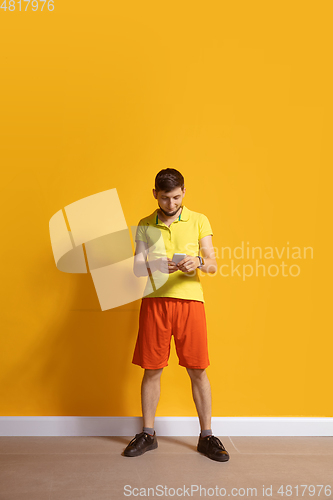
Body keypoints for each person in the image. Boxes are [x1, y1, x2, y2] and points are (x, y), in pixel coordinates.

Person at [123, 168, 229, 462]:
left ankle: (207, 436)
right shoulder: (145, 224)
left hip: (190, 303)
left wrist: (198, 262)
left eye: (177, 196)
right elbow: (135, 267)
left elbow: (212, 264)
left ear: (184, 192)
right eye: (166, 197)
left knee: (197, 369)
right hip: (155, 302)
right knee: (152, 368)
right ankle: (148, 434)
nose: (172, 203)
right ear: (155, 194)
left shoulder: (198, 220)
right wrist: (156, 264)